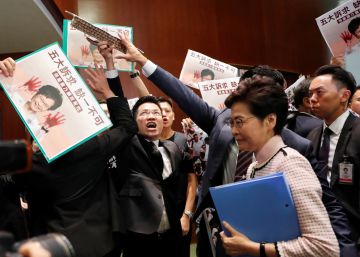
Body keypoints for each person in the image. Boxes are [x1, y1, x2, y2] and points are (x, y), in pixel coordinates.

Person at [112, 34, 359, 257]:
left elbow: (324, 217)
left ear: (271, 112)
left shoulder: (294, 153)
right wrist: (143, 62)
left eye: (241, 120)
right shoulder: (224, 123)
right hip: (220, 232)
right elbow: (181, 93)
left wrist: (346, 250)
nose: (234, 129)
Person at [11, 64, 137, 257]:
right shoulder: (93, 146)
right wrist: (106, 91)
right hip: (103, 241)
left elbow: (9, 182)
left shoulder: (36, 161)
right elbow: (127, 126)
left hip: (58, 245)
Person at [220, 75, 339, 257]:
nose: (234, 130)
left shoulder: (290, 164)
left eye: (240, 122)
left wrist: (253, 248)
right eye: (232, 123)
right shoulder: (255, 165)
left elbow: (324, 247)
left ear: (270, 121)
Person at [110, 95, 184, 257]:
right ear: (134, 121)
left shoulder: (173, 148)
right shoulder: (127, 146)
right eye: (144, 113)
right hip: (139, 236)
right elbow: (120, 116)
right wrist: (111, 79)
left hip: (172, 234)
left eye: (156, 113)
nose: (151, 116)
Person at [307, 65, 360, 251]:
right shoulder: (312, 136)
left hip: (353, 230)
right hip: (319, 229)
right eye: (310, 93)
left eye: (319, 93)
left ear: (344, 96)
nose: (312, 99)